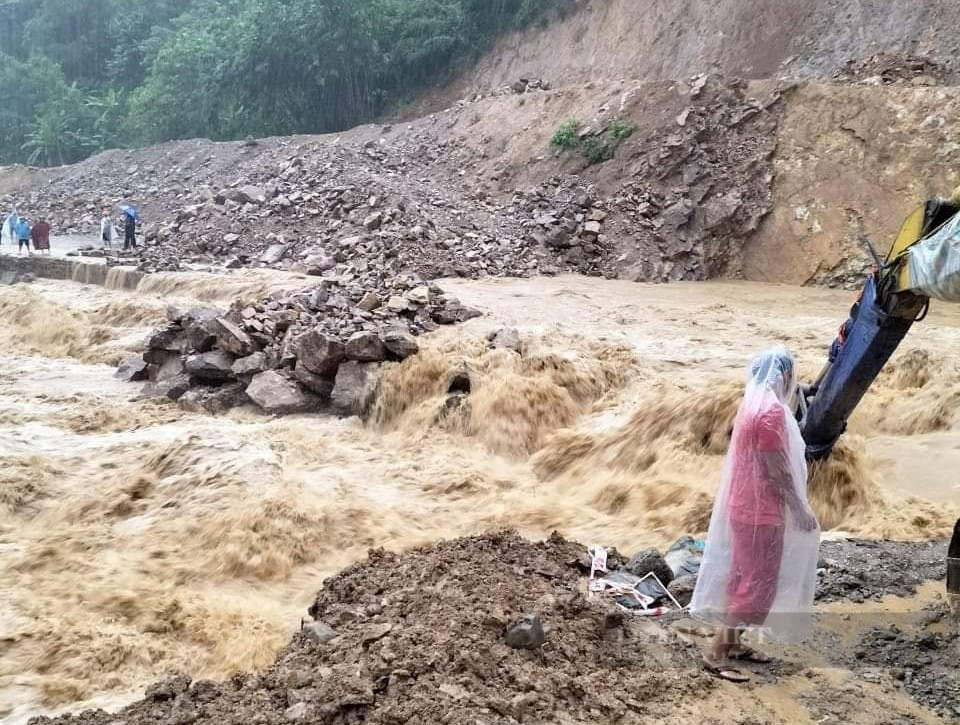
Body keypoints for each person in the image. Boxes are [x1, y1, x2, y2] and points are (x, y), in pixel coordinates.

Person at [690, 347, 820, 683]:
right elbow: (777, 470)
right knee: (758, 585)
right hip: (761, 512)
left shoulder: (750, 404)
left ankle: (734, 644)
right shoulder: (771, 414)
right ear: (784, 375)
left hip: (742, 505)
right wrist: (799, 510)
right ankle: (716, 652)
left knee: (741, 577)